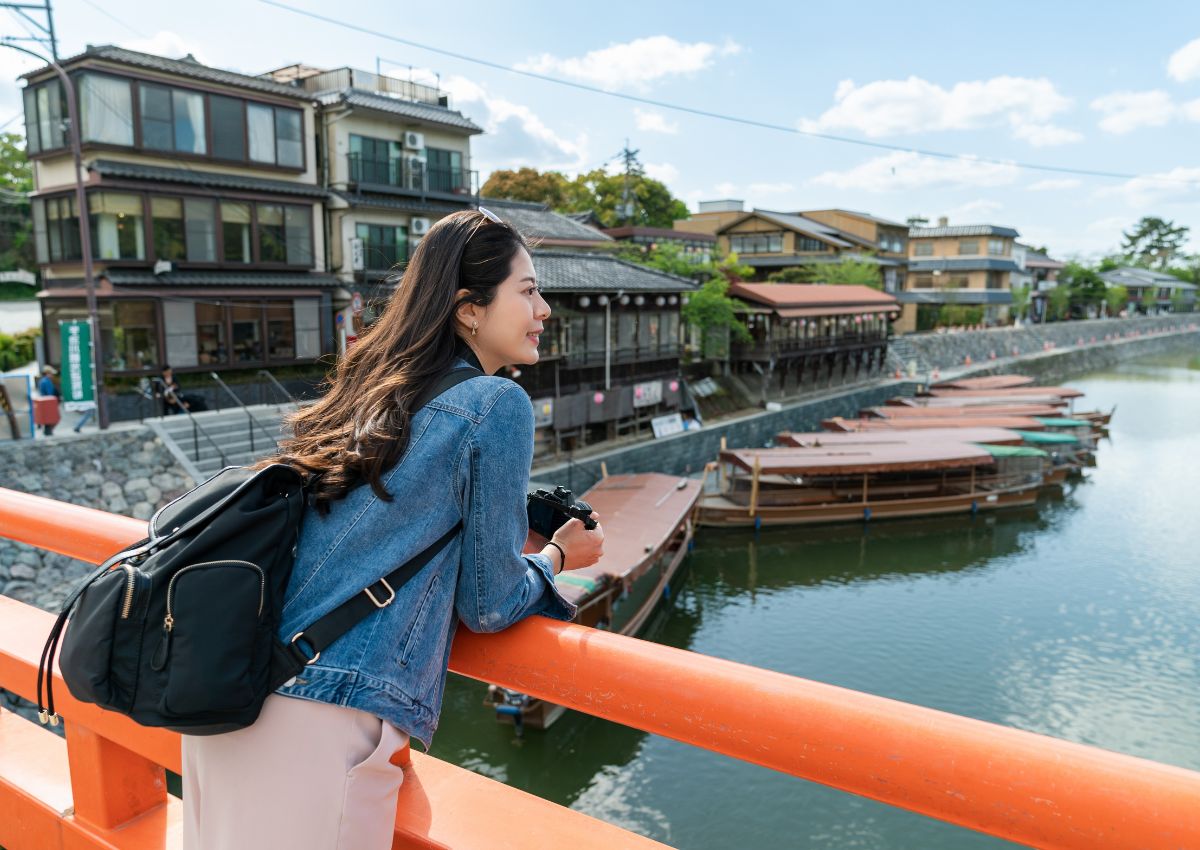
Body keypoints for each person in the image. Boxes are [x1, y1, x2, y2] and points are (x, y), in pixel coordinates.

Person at [181, 209, 605, 850]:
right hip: (323, 719)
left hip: (235, 690)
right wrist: (554, 556)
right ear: (469, 308)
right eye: (528, 290)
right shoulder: (497, 403)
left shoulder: (375, 389)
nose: (544, 309)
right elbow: (488, 604)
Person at [35, 366, 60, 437]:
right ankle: (48, 431)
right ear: (47, 373)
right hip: (49, 402)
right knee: (54, 417)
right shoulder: (46, 381)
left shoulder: (42, 380)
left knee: (48, 417)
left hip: (45, 401)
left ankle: (47, 431)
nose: (52, 375)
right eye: (51, 373)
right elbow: (50, 393)